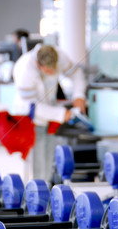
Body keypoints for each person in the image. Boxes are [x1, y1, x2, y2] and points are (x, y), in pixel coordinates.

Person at [12, 44, 86, 180]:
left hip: (50, 119)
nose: (53, 73)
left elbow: (76, 74)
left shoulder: (58, 56)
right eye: (49, 70)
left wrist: (79, 96)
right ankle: (35, 197)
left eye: (54, 70)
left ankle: (45, 194)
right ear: (38, 65)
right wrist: (61, 114)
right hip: (30, 120)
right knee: (36, 166)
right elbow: (31, 107)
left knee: (47, 164)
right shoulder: (24, 70)